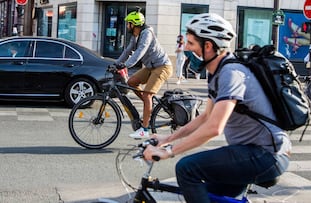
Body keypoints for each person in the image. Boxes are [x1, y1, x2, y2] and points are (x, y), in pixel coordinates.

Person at [143, 13, 291, 203]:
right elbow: (205, 117)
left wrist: (170, 151)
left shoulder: (231, 73)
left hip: (266, 156)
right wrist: (166, 139)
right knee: (211, 193)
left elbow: (214, 127)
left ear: (208, 46)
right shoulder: (217, 72)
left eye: (191, 43)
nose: (186, 49)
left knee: (186, 169)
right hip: (250, 152)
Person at [115, 8, 173, 139]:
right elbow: (127, 51)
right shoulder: (135, 36)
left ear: (134, 24)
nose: (127, 26)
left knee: (147, 95)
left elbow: (140, 51)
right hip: (151, 67)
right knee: (131, 82)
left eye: (128, 23)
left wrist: (126, 65)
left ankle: (144, 130)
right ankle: (149, 107)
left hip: (162, 67)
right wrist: (116, 63)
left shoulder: (147, 33)